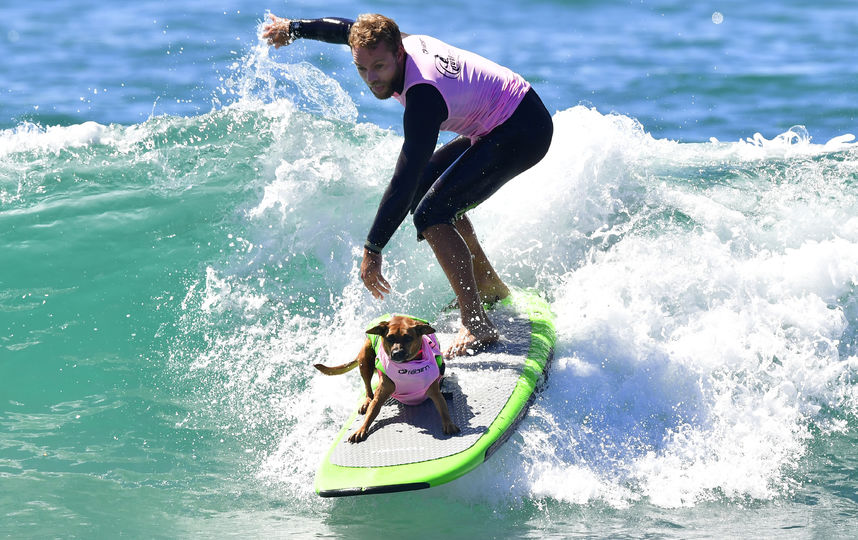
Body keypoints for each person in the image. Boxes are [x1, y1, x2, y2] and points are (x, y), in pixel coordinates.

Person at [263, 13, 553, 357]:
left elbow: (404, 180)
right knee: (432, 192)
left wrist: (373, 248)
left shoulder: (423, 97)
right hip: (503, 119)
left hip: (522, 128)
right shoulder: (391, 45)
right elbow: (346, 30)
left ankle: (476, 323)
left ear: (398, 53)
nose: (372, 79)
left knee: (430, 213)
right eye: (362, 69)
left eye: (380, 67)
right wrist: (294, 29)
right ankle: (487, 284)